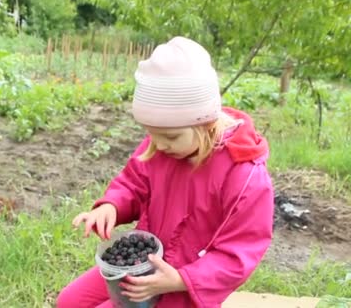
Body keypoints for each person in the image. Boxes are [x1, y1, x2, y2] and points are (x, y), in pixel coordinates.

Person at [56, 36, 274, 307]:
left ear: (205, 124)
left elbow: (239, 253)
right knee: (70, 301)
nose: (158, 144)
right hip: (144, 262)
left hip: (186, 281)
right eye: (151, 134)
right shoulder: (165, 142)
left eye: (169, 137)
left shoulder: (244, 177)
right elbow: (134, 183)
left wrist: (181, 279)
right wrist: (111, 206)